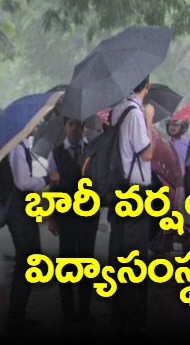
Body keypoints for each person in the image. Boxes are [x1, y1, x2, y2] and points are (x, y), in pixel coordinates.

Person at [107, 75, 155, 336]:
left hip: (119, 190)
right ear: (147, 86)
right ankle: (135, 317)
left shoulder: (117, 110)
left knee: (119, 254)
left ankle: (119, 314)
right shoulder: (136, 113)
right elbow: (146, 152)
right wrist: (148, 117)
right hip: (136, 193)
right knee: (135, 258)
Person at [46, 117, 99, 323]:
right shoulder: (56, 153)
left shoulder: (92, 151)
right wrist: (52, 218)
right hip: (66, 216)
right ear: (64, 127)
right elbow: (52, 187)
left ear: (84, 128)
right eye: (71, 125)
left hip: (88, 214)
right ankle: (68, 310)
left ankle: (85, 309)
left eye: (78, 125)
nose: (75, 129)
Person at [5, 135, 59, 331]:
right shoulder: (17, 148)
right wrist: (47, 178)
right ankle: (15, 317)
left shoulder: (20, 145)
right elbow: (23, 182)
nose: (36, 126)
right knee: (28, 258)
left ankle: (17, 313)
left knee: (29, 257)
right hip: (17, 208)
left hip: (20, 208)